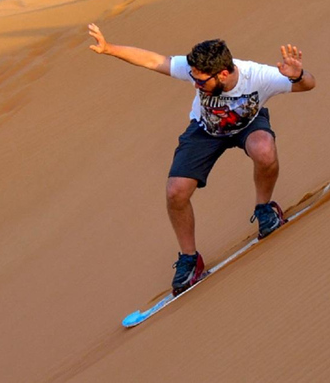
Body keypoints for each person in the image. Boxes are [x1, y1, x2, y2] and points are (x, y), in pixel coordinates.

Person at [87, 23, 316, 295]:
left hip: (248, 125)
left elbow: (308, 85)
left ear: (223, 73)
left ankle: (265, 208)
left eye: (201, 81)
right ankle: (190, 259)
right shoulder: (196, 69)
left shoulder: (259, 76)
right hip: (205, 130)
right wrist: (109, 49)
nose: (195, 84)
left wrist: (298, 75)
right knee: (176, 192)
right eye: (193, 78)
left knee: (264, 149)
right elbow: (152, 60)